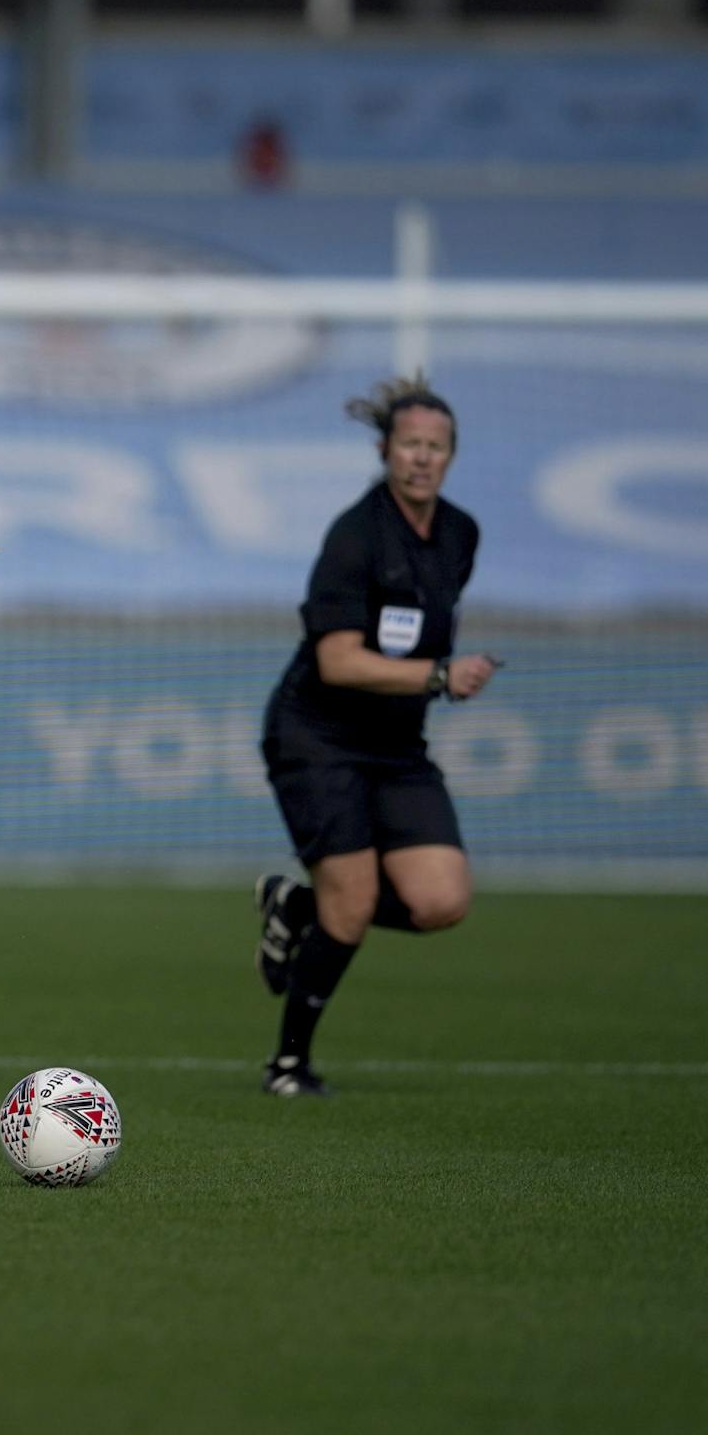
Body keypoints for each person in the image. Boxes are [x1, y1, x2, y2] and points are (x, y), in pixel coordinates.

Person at [251, 374, 497, 1097]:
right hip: (316, 736)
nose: (421, 457)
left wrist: (434, 678)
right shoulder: (355, 536)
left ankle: (298, 905)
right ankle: (288, 1064)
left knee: (441, 902)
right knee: (353, 902)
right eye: (409, 444)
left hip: (396, 746)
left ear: (451, 456)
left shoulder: (460, 533)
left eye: (435, 446)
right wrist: (437, 677)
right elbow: (337, 661)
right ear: (385, 450)